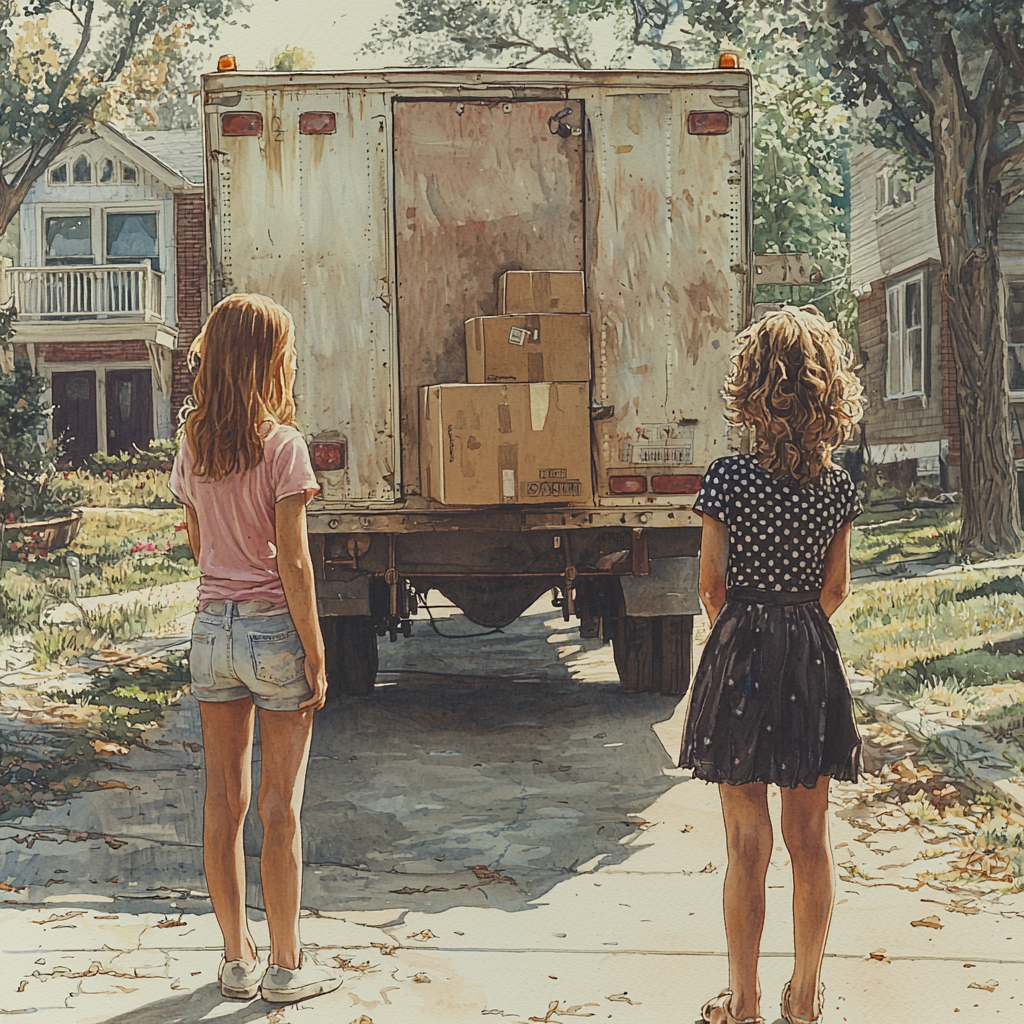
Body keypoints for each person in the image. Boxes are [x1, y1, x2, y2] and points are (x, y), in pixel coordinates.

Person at [679, 306, 866, 1024]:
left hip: (741, 652)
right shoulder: (839, 486)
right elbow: (836, 588)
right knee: (810, 838)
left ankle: (745, 1002)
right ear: (826, 393)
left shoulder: (727, 479)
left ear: (754, 389)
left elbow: (711, 586)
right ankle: (807, 998)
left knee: (745, 842)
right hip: (809, 654)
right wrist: (799, 632)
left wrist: (740, 638)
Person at [169, 293, 341, 1004]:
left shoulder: (194, 442)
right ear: (268, 360)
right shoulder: (283, 446)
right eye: (286, 351)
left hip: (211, 629)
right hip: (272, 626)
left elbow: (196, 543)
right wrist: (315, 647)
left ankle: (236, 959)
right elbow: (295, 563)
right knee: (280, 807)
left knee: (222, 801)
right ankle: (287, 966)